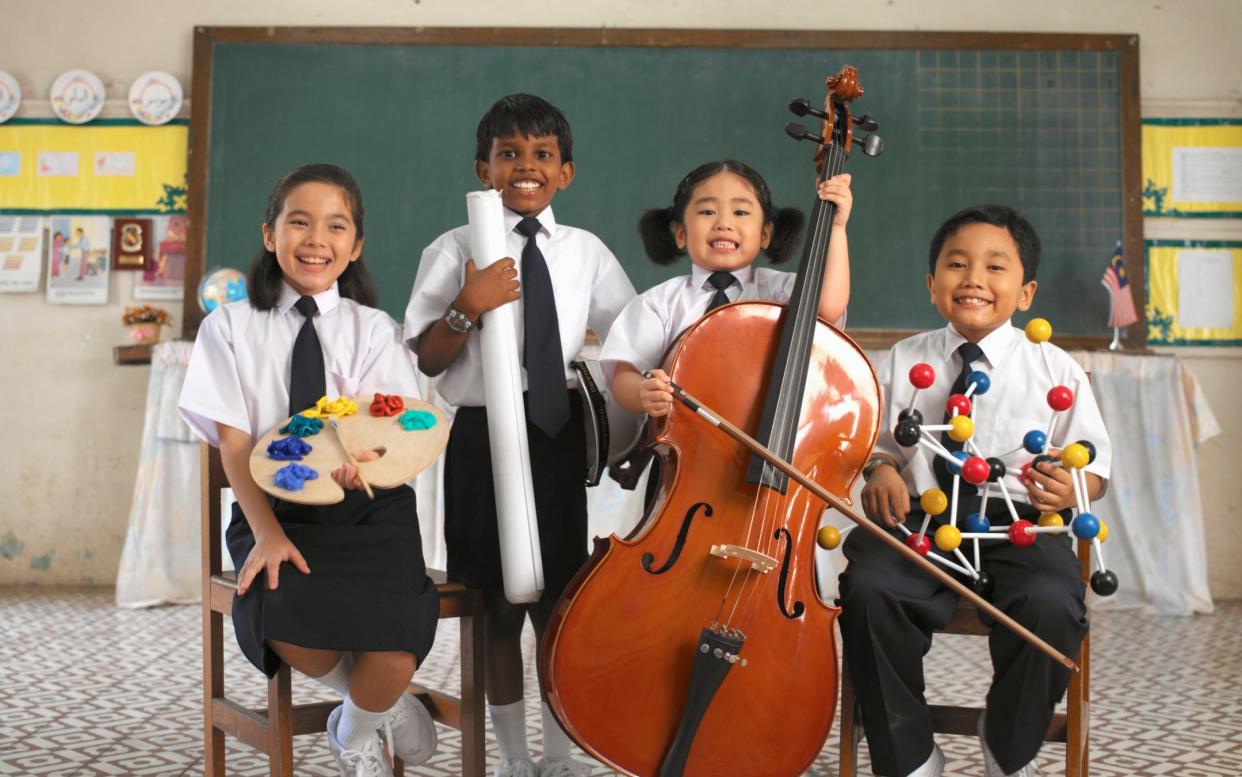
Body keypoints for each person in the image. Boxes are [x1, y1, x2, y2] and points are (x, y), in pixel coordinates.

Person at [179, 164, 440, 777]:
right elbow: (232, 442)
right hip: (273, 510)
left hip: (370, 510)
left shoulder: (373, 329)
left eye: (335, 225)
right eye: (299, 222)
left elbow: (391, 428)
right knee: (274, 606)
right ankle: (379, 706)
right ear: (270, 235)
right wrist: (265, 530)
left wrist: (367, 466)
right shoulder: (230, 327)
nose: (316, 239)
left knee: (399, 633)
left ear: (355, 247)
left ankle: (353, 728)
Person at [403, 94, 635, 777]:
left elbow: (630, 341)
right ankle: (509, 755)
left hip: (554, 435)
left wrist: (629, 431)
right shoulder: (454, 248)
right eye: (508, 154)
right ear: (483, 168)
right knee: (496, 603)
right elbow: (428, 356)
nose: (524, 167)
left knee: (558, 600)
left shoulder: (585, 252)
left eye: (541, 155)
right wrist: (466, 307)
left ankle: (560, 753)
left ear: (566, 172)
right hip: (480, 439)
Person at [841, 205, 1112, 777]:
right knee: (866, 587)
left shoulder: (1055, 367)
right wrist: (881, 471)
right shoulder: (903, 359)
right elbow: (878, 445)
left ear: (1027, 292)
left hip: (1019, 526)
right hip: (919, 524)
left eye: (996, 267)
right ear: (932, 285)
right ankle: (909, 754)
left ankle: (1008, 740)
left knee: (1052, 604)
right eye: (956, 264)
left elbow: (1094, 467)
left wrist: (1069, 488)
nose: (974, 279)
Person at [598, 159, 852, 498]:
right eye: (706, 213)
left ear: (765, 234)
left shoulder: (782, 292)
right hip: (680, 463)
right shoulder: (659, 303)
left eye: (741, 213)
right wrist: (643, 393)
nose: (724, 224)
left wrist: (835, 228)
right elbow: (622, 373)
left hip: (769, 458)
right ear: (680, 233)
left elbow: (829, 307)